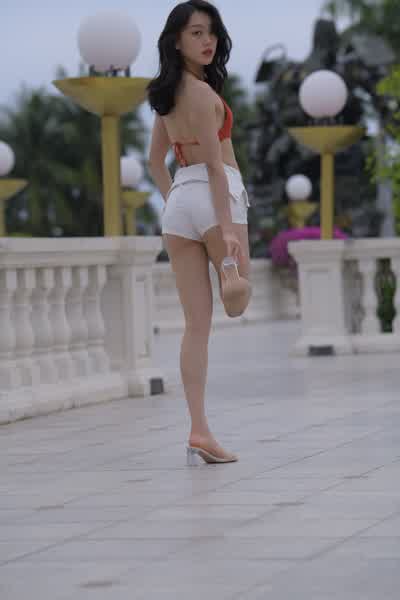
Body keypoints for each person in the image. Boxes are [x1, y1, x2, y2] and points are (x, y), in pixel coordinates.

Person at [147, 0, 252, 466]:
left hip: (179, 203)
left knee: (196, 325)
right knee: (238, 300)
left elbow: (155, 162)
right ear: (176, 41)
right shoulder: (206, 96)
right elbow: (214, 166)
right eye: (196, 33)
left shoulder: (165, 97)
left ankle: (199, 430)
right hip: (216, 191)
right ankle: (228, 267)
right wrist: (226, 231)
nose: (207, 40)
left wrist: (175, 201)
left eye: (211, 32)